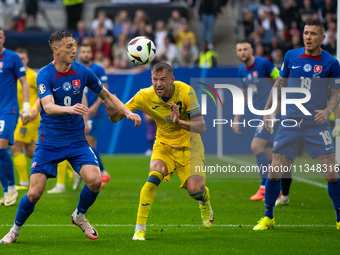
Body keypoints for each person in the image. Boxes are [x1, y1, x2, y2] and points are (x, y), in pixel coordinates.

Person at [0, 30, 141, 244]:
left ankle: (79, 216)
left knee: (95, 181)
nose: (73, 50)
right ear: (55, 49)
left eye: (74, 45)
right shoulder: (45, 75)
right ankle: (14, 230)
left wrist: (128, 112)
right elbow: (47, 106)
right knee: (34, 193)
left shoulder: (83, 72)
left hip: (76, 142)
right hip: (49, 142)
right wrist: (71, 109)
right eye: (68, 46)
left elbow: (107, 95)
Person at [104, 62, 213, 241]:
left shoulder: (186, 92)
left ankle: (204, 199)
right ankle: (139, 229)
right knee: (153, 177)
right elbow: (117, 118)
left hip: (191, 147)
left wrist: (179, 122)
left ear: (172, 79)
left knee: (195, 190)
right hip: (164, 147)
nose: (158, 84)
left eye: (163, 79)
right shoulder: (143, 96)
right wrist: (111, 112)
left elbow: (201, 127)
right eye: (155, 79)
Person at [254, 19, 340, 230]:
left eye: (313, 34)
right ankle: (268, 217)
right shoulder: (291, 56)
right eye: (306, 33)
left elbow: (337, 92)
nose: (308, 37)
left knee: (331, 173)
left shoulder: (331, 63)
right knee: (275, 171)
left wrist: (328, 111)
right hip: (290, 122)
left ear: (322, 38)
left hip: (316, 125)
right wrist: (269, 111)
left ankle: (339, 218)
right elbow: (280, 84)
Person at [233, 39, 279, 201]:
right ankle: (277, 188)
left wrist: (273, 109)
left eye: (245, 49)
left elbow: (281, 80)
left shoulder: (264, 64)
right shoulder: (241, 71)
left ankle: (263, 187)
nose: (242, 52)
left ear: (251, 50)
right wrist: (237, 117)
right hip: (258, 113)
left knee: (256, 145)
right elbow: (243, 95)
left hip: (271, 112)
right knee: (267, 152)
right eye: (239, 50)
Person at [0, 28, 31, 207]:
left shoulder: (12, 57)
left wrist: (26, 108)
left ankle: (12, 188)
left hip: (8, 109)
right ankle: (6, 191)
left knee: (1, 147)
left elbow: (24, 82)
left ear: (4, 38)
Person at [11, 48, 39, 191]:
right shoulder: (13, 75)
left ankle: (23, 183)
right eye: (18, 58)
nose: (21, 61)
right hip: (17, 116)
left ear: (27, 60)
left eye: (23, 58)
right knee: (31, 151)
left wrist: (35, 108)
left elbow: (43, 92)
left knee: (15, 145)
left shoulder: (32, 75)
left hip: (30, 117)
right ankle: (70, 169)